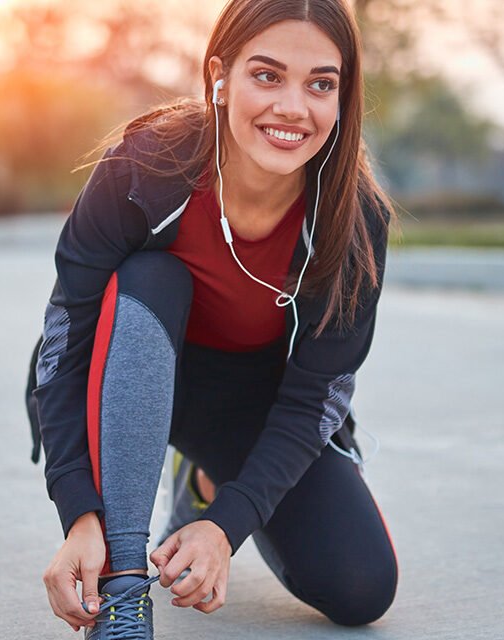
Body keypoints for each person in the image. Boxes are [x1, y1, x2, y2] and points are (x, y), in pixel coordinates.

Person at [23, 0, 398, 636]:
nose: (292, 107)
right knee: (152, 275)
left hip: (239, 401)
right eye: (267, 75)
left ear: (344, 97)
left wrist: (228, 522)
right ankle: (123, 588)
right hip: (117, 371)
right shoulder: (146, 168)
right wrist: (80, 512)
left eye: (321, 84)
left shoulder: (353, 221)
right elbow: (64, 342)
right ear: (220, 77)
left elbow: (318, 396)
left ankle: (200, 480)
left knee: (362, 586)